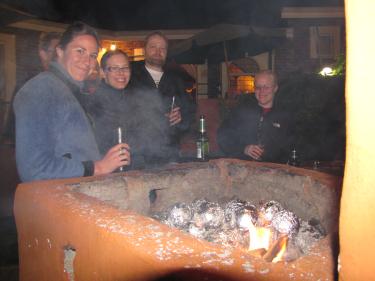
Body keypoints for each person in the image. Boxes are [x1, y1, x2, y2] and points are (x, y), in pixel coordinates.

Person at [13, 22, 130, 182]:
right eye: (80, 51)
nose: (87, 61)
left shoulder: (70, 90)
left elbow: (75, 149)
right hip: (56, 201)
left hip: (78, 193)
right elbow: (34, 169)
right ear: (60, 51)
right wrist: (99, 167)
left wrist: (108, 159)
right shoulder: (41, 89)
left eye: (93, 55)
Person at [129, 31, 195, 165]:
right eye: (153, 47)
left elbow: (190, 110)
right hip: (137, 152)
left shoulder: (176, 78)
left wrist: (181, 117)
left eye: (162, 48)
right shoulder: (130, 75)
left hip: (169, 150)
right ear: (145, 50)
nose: (158, 51)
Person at [217, 70, 293, 163]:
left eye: (266, 87)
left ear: (275, 88)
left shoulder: (284, 115)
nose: (261, 91)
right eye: (258, 87)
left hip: (272, 170)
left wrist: (270, 155)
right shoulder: (241, 111)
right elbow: (223, 136)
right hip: (242, 167)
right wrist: (244, 149)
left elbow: (290, 147)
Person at [2, 32, 61, 143]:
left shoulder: (66, 83)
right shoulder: (30, 83)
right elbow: (14, 122)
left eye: (62, 52)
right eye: (55, 52)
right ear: (43, 54)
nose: (60, 56)